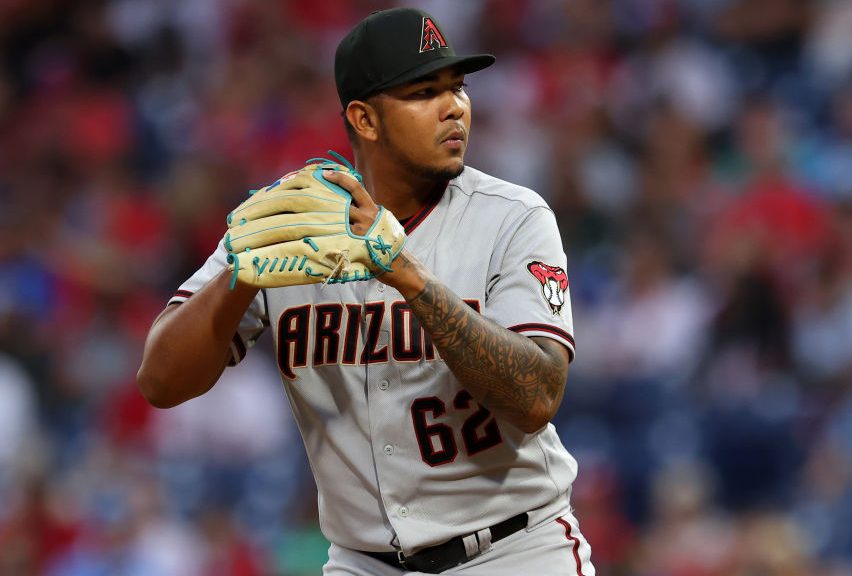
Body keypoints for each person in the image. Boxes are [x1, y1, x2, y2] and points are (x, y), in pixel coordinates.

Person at [136, 7, 594, 576]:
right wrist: (239, 276)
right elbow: (159, 381)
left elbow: (537, 397)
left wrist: (408, 275)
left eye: (458, 87)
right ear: (365, 119)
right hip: (363, 562)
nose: (455, 107)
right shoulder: (293, 219)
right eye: (425, 92)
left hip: (514, 549)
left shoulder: (511, 217)